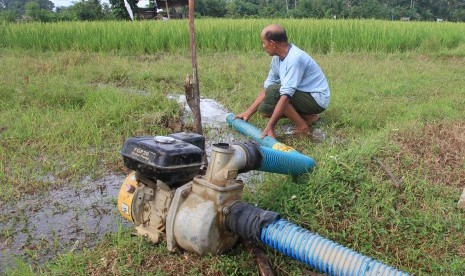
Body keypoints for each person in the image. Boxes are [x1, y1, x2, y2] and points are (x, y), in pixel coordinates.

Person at [234, 24, 330, 138]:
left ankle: (302, 127)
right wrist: (248, 112)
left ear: (272, 43)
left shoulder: (295, 59)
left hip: (316, 99)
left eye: (264, 42)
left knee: (276, 92)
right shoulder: (277, 58)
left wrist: (270, 127)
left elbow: (285, 96)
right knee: (265, 110)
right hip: (302, 93)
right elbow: (268, 86)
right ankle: (309, 117)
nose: (263, 46)